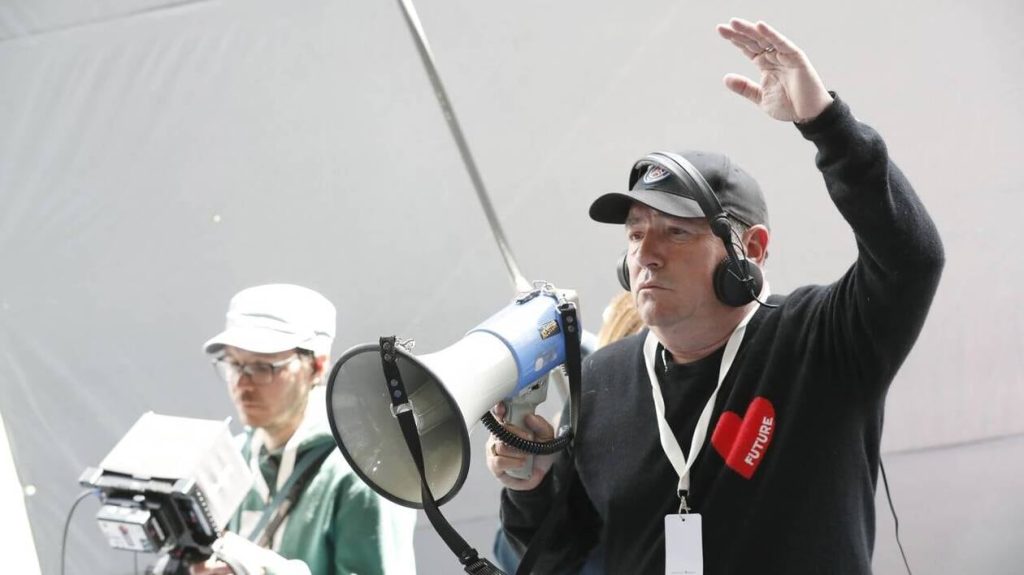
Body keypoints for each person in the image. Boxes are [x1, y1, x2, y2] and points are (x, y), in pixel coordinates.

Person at [486, 18, 944, 574]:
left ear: (750, 247)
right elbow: (555, 555)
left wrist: (826, 124)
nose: (646, 253)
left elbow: (912, 259)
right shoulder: (603, 383)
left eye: (676, 231)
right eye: (635, 233)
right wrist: (528, 486)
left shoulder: (820, 339)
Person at [191, 284, 417, 575]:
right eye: (233, 364)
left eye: (263, 367)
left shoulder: (366, 473)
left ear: (318, 366)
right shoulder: (231, 460)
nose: (242, 384)